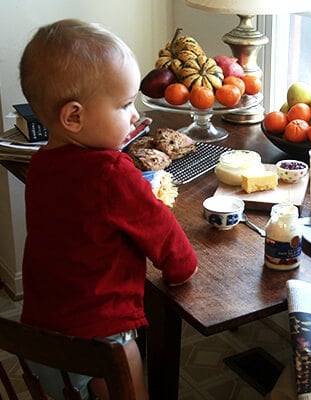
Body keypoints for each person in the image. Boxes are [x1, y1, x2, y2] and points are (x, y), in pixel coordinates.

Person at [19, 19, 198, 399]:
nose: (134, 116)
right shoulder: (113, 172)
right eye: (124, 104)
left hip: (41, 333)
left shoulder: (39, 165)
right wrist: (182, 268)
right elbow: (162, 230)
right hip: (104, 338)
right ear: (74, 117)